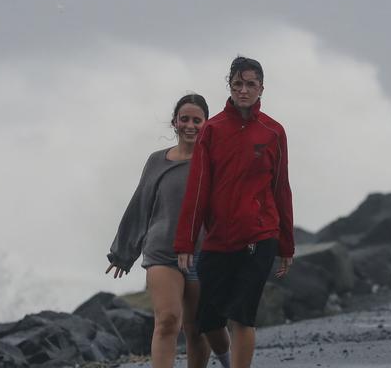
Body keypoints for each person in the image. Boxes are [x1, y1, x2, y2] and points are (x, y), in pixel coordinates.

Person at [175, 56, 294, 368]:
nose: (244, 90)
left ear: (261, 89)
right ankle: (226, 359)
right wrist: (186, 243)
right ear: (229, 86)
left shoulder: (273, 132)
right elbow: (197, 190)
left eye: (250, 84)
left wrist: (286, 244)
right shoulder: (211, 130)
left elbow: (281, 188)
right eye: (238, 84)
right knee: (209, 320)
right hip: (218, 240)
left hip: (259, 237)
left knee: (243, 315)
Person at [107, 94, 230, 368]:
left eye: (196, 120)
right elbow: (140, 205)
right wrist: (123, 252)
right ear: (174, 122)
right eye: (184, 119)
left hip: (202, 254)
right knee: (166, 321)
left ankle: (227, 360)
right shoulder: (156, 161)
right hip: (162, 251)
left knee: (197, 327)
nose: (190, 125)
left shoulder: (215, 162)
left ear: (206, 124)